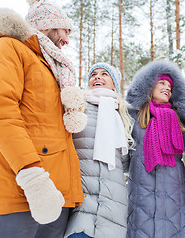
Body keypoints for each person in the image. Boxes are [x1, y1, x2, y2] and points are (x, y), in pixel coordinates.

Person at [0, 0, 85, 237]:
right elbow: (0, 114)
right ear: (48, 25)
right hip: (24, 193)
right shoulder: (7, 48)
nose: (67, 40)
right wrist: (34, 178)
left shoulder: (50, 66)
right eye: (64, 31)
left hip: (57, 197)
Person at [126, 60, 185, 238]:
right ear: (149, 85)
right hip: (142, 194)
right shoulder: (133, 117)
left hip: (175, 196)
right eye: (162, 83)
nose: (167, 88)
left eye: (170, 86)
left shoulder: (180, 121)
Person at [64, 63, 134, 238]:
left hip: (113, 204)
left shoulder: (122, 115)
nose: (97, 77)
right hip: (81, 201)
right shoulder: (77, 107)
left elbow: (125, 163)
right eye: (93, 74)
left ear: (114, 84)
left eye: (104, 74)